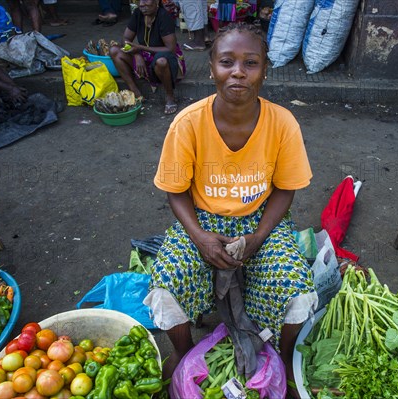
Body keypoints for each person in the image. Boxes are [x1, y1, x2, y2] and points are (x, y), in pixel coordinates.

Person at [144, 22, 318, 397]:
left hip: (261, 220)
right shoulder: (187, 123)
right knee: (165, 289)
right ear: (211, 69)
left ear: (265, 71)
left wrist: (258, 237)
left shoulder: (283, 123)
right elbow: (175, 192)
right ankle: (185, 351)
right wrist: (200, 237)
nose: (238, 71)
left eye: (250, 63)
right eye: (227, 61)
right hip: (202, 220)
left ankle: (285, 355)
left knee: (297, 292)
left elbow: (286, 189)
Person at [109, 0, 185, 115]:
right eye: (140, 1)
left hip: (167, 58)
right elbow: (125, 39)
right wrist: (137, 54)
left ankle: (170, 96)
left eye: (146, 0)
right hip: (145, 56)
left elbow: (170, 49)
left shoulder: (164, 17)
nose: (141, 4)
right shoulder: (138, 13)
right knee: (114, 51)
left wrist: (140, 48)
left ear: (156, 2)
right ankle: (135, 91)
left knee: (161, 61)